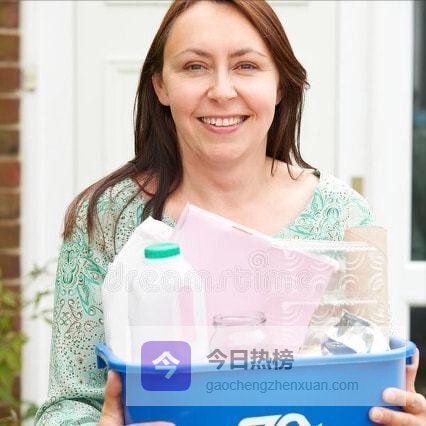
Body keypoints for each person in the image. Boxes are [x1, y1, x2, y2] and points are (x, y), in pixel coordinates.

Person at [35, 0, 425, 425]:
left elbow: (367, 389)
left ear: (280, 85)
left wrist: (399, 416)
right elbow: (66, 406)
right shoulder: (109, 219)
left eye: (246, 66)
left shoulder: (344, 217)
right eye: (194, 67)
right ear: (161, 86)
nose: (221, 91)